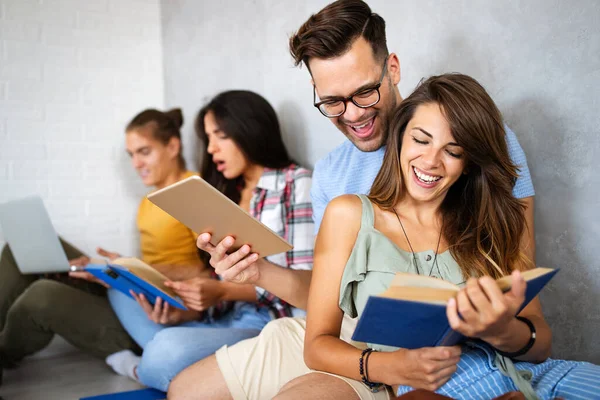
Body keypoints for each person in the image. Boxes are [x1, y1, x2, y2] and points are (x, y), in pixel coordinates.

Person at [169, 1, 535, 399]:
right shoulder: (331, 174)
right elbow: (329, 297)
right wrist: (257, 272)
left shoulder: (477, 149)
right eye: (332, 102)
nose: (353, 115)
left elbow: (519, 287)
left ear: (392, 69)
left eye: (365, 92)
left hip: (404, 350)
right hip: (336, 335)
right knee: (184, 390)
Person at [278, 74, 600, 399]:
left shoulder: (491, 219)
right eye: (421, 140)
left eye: (453, 150)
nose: (431, 161)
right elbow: (317, 347)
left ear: (468, 163)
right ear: (401, 137)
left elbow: (541, 342)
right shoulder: (347, 215)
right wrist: (389, 366)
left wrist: (503, 331)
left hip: (541, 377)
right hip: (441, 391)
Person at [108, 90, 314, 392]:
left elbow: (306, 285)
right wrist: (186, 311)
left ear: (250, 129)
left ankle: (143, 367)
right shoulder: (222, 192)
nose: (212, 148)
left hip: (265, 323)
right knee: (119, 294)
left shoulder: (294, 184)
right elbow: (214, 278)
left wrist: (220, 291)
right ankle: (173, 354)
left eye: (221, 136)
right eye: (208, 138)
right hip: (221, 316)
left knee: (166, 351)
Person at [0, 108, 200, 386]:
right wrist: (105, 267)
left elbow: (202, 269)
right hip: (135, 289)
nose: (136, 163)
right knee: (19, 250)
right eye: (131, 155)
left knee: (42, 295)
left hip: (157, 308)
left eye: (144, 151)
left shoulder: (193, 191)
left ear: (173, 146)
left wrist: (130, 268)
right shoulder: (151, 199)